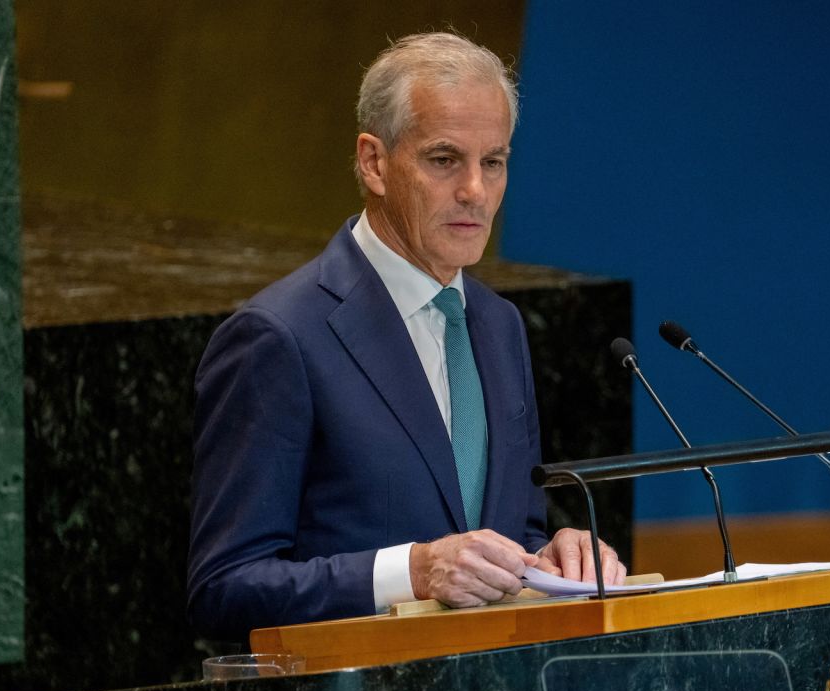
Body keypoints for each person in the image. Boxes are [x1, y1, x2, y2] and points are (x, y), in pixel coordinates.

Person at [186, 32, 624, 642]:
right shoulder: (278, 337)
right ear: (374, 163)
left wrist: (554, 558)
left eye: (493, 161)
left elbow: (505, 536)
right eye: (445, 160)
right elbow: (224, 588)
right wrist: (409, 573)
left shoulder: (500, 326)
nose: (475, 189)